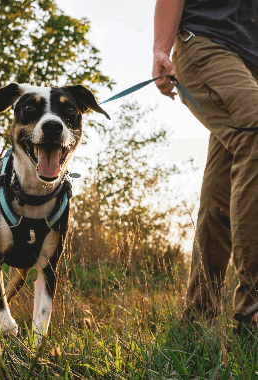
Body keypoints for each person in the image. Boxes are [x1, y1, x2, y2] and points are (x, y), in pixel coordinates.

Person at [152, 0, 258, 331]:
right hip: (205, 43)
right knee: (256, 132)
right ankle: (254, 307)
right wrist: (160, 49)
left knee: (221, 191)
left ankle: (197, 321)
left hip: (250, 65)